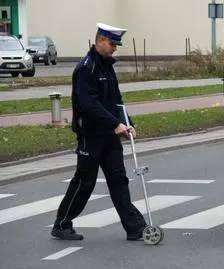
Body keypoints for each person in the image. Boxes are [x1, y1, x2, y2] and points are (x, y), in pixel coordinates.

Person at [50, 23, 147, 241]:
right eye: (112, 44)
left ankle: (135, 227)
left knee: (118, 180)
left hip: (110, 136)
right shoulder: (87, 68)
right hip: (91, 136)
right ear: (100, 41)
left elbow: (116, 100)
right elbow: (87, 104)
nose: (115, 48)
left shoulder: (107, 66)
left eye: (116, 45)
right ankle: (62, 223)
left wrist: (126, 122)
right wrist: (115, 123)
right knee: (84, 182)